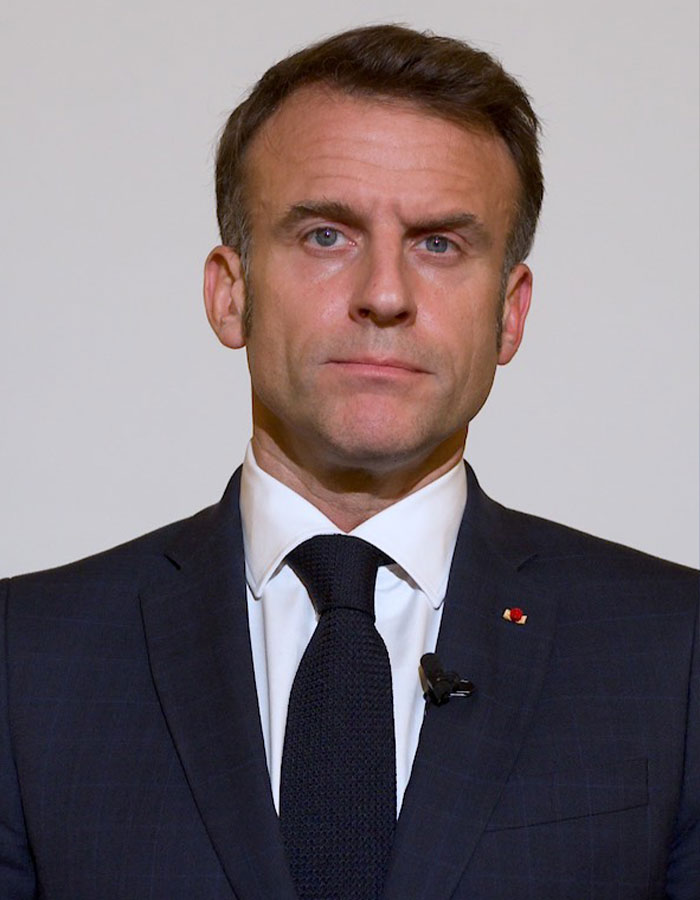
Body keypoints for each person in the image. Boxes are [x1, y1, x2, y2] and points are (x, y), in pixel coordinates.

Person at [1, 23, 697, 900]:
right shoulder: (26, 661)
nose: (384, 294)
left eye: (439, 243)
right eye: (326, 235)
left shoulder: (675, 654)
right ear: (230, 292)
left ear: (510, 314)